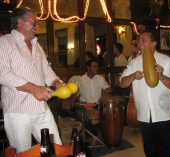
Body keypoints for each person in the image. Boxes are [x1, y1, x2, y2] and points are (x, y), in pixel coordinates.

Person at [0, 8, 65, 152]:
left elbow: (46, 70)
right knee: (23, 153)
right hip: (18, 111)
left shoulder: (36, 45)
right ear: (20, 22)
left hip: (42, 108)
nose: (37, 26)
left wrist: (56, 82)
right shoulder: (5, 42)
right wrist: (34, 88)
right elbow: (2, 72)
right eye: (34, 23)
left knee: (56, 149)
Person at [120, 29, 170, 157]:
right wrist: (133, 76)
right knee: (150, 149)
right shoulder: (133, 63)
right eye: (139, 40)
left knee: (166, 148)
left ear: (154, 42)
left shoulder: (166, 61)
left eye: (143, 40)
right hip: (144, 113)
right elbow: (123, 83)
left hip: (164, 113)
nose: (139, 42)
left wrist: (161, 76)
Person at [74, 59, 111, 145]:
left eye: (97, 66)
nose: (96, 68)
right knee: (85, 118)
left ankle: (96, 135)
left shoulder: (100, 78)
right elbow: (76, 94)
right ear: (88, 68)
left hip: (97, 105)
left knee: (103, 116)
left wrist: (108, 90)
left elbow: (107, 88)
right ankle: (95, 134)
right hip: (84, 106)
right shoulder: (80, 80)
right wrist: (73, 102)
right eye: (94, 66)